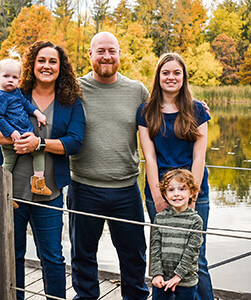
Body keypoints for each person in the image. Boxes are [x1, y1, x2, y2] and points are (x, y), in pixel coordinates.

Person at [0, 41, 86, 300]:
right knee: (11, 254)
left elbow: (75, 141)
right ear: (32, 65)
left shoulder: (70, 102)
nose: (46, 66)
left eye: (52, 61)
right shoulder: (15, 92)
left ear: (61, 68)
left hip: (49, 194)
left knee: (52, 256)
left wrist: (40, 143)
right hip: (10, 193)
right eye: (41, 60)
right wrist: (15, 139)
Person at [68, 31, 150, 300]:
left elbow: (162, 121)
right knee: (82, 255)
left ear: (119, 54)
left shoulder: (137, 91)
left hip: (126, 189)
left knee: (134, 256)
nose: (106, 56)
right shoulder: (74, 90)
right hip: (84, 187)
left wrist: (197, 109)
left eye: (111, 51)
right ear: (90, 54)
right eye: (100, 50)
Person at [137, 52, 214, 300]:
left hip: (195, 191)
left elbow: (199, 157)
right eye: (165, 72)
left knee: (196, 257)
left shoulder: (197, 110)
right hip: (160, 192)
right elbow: (149, 157)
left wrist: (192, 196)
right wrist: (158, 197)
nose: (171, 77)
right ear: (158, 76)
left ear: (184, 77)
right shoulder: (146, 111)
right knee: (162, 254)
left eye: (176, 73)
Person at [0, 49, 52, 198]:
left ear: (19, 80)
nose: (10, 80)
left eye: (14, 77)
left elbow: (25, 104)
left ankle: (38, 183)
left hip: (25, 134)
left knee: (39, 151)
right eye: (6, 76)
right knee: (8, 164)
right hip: (12, 137)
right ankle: (4, 194)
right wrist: (11, 132)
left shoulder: (16, 92)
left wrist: (37, 113)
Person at [151, 169, 203, 300]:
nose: (176, 194)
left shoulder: (195, 221)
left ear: (191, 192)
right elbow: (155, 248)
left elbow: (191, 253)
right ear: (164, 194)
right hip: (162, 279)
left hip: (185, 280)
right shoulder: (159, 218)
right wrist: (157, 273)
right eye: (171, 190)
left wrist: (177, 276)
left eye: (182, 189)